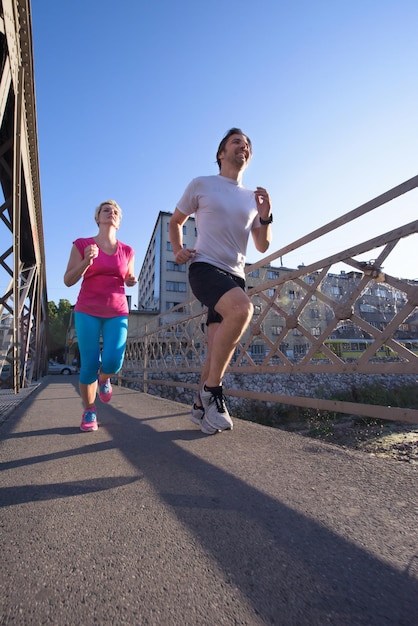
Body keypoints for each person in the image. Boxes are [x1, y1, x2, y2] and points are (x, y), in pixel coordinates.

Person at [169, 128, 272, 435]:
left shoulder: (251, 198)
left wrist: (265, 216)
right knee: (242, 310)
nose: (244, 147)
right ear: (221, 153)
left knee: (215, 346)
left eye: (248, 145)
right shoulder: (202, 184)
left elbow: (262, 246)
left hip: (236, 275)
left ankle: (201, 409)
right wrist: (176, 249)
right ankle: (213, 392)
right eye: (237, 142)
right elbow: (176, 221)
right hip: (204, 267)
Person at [64, 200, 137, 432]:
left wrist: (130, 280)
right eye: (106, 210)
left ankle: (104, 379)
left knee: (114, 361)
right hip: (87, 310)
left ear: (119, 220)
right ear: (97, 217)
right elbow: (68, 280)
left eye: (115, 211)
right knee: (89, 362)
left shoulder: (127, 250)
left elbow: (129, 275)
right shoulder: (82, 244)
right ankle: (89, 410)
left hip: (117, 311)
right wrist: (86, 261)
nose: (111, 213)